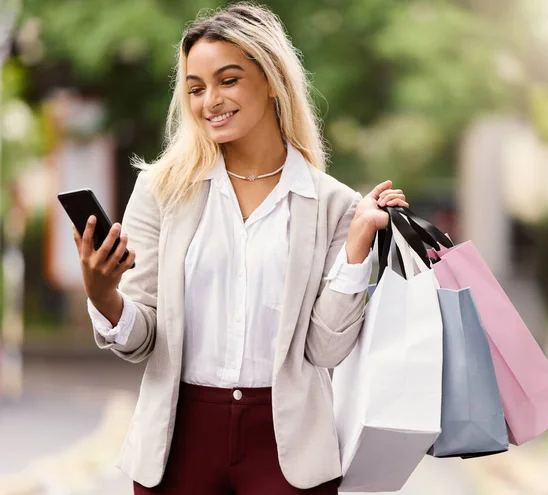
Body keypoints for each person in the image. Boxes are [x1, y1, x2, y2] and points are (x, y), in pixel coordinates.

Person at [73, 3, 408, 494]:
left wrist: (359, 245)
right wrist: (103, 293)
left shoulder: (335, 204)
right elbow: (141, 337)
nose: (210, 100)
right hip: (176, 444)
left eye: (228, 80)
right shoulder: (162, 190)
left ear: (272, 79)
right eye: (195, 88)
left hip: (288, 449)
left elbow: (325, 349)